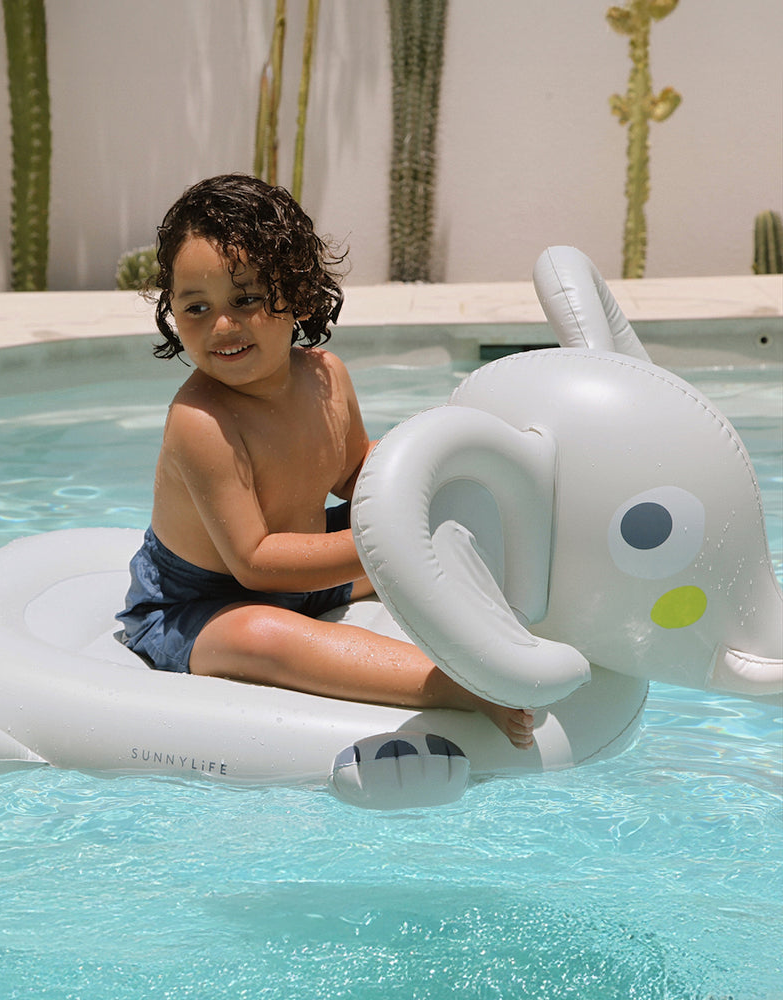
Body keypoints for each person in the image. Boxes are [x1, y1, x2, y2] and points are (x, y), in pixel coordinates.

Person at [116, 174, 534, 749]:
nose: (222, 325)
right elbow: (256, 564)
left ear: (300, 294)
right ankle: (452, 683)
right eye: (196, 307)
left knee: (454, 521)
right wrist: (386, 545)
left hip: (309, 572)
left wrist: (430, 484)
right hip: (203, 604)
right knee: (262, 635)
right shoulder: (201, 421)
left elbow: (354, 473)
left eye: (245, 299)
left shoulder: (326, 376)